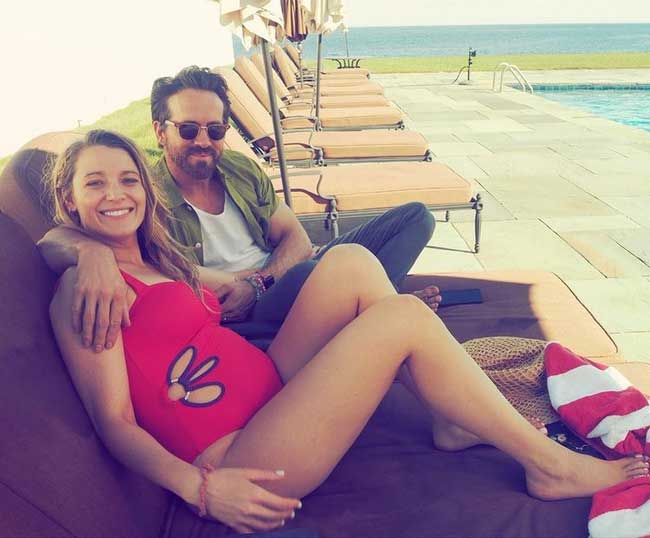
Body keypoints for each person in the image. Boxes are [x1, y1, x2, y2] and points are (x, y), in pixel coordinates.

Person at [49, 130, 648, 534]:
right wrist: (201, 490)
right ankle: (548, 466)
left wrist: (243, 285)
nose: (115, 194)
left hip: (270, 390)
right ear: (69, 201)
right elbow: (114, 421)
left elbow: (228, 284)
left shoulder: (154, 260)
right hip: (244, 451)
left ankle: (445, 416)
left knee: (351, 263)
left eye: (127, 180)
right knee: (402, 318)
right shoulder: (87, 290)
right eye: (94, 183)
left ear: (144, 189)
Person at [38, 66, 441, 353]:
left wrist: (260, 281)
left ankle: (369, 310)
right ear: (160, 131)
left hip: (274, 280)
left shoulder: (239, 169)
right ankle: (378, 310)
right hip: (244, 311)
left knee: (415, 218)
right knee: (327, 269)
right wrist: (91, 252)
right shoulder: (144, 194)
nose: (203, 141)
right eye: (188, 129)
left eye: (215, 130)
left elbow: (296, 237)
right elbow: (56, 239)